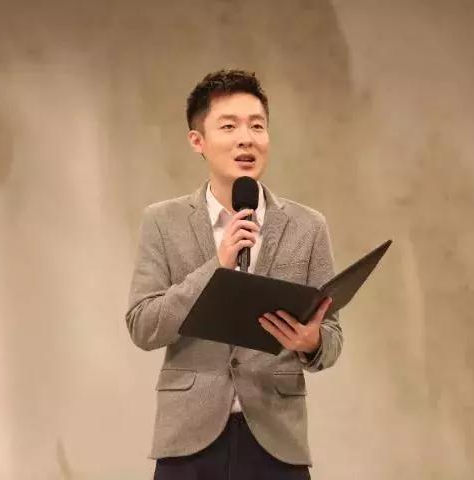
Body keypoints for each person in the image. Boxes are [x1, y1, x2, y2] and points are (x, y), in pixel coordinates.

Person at [125, 69, 343, 480]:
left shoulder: (308, 226)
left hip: (277, 441)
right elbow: (143, 326)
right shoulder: (163, 221)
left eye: (257, 126)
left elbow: (331, 336)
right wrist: (216, 267)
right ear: (198, 141)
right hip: (188, 442)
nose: (246, 138)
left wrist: (312, 342)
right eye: (229, 126)